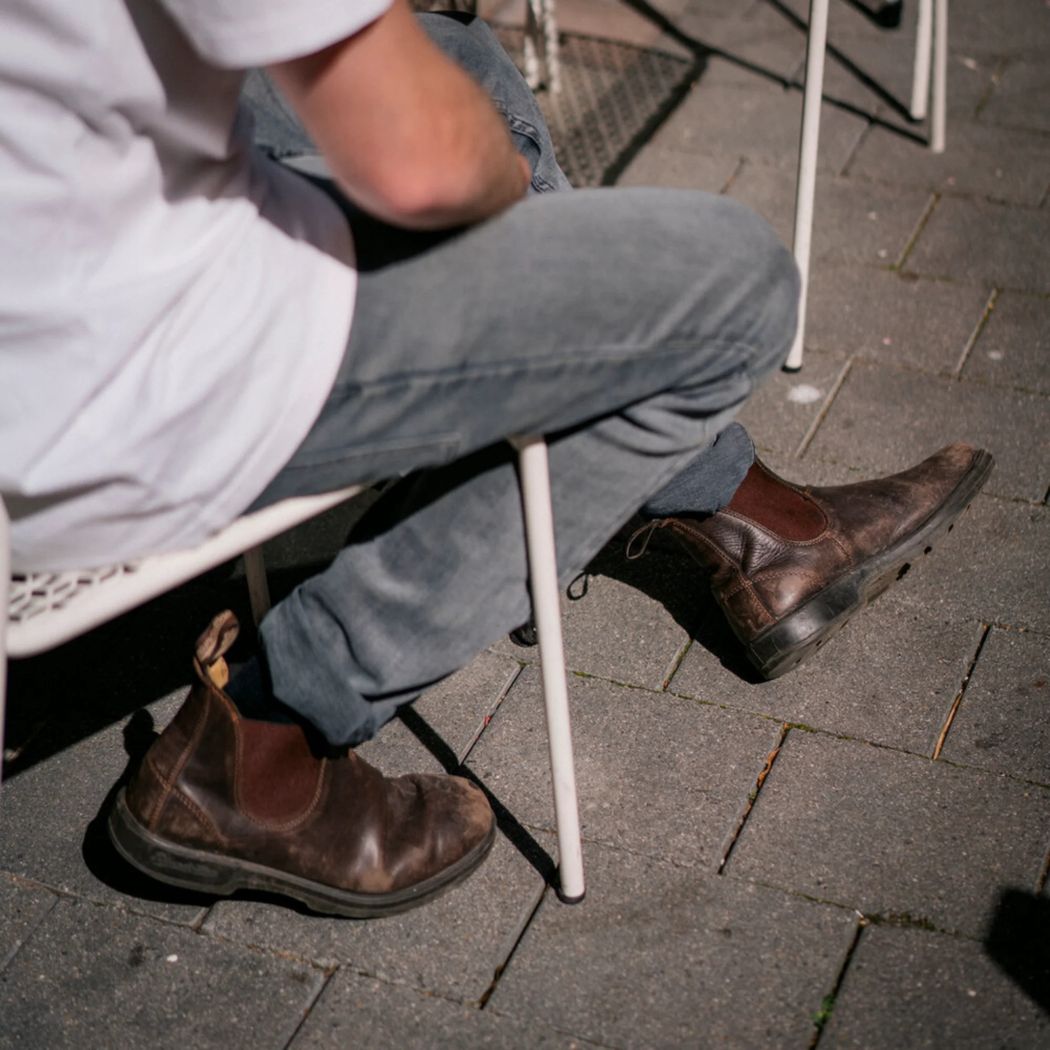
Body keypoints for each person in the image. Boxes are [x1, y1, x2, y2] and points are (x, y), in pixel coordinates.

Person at [0, 1, 992, 918]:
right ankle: (268, 736)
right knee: (729, 285)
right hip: (128, 389)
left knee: (461, 51)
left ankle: (725, 505)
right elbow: (430, 165)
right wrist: (492, 191)